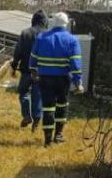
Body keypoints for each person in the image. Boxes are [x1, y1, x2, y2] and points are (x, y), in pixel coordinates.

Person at [29, 12, 84, 147]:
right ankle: (58, 136)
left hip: (45, 79)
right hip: (62, 80)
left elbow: (33, 59)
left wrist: (33, 71)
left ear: (52, 23)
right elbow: (76, 64)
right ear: (66, 24)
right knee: (61, 107)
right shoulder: (72, 40)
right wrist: (78, 82)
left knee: (47, 108)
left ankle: (47, 140)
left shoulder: (41, 38)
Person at [11, 10, 48, 130]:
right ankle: (37, 120)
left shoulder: (25, 33)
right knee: (38, 94)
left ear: (33, 20)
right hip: (42, 71)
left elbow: (18, 52)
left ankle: (27, 115)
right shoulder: (48, 35)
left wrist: (14, 66)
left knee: (24, 92)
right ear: (45, 21)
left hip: (26, 70)